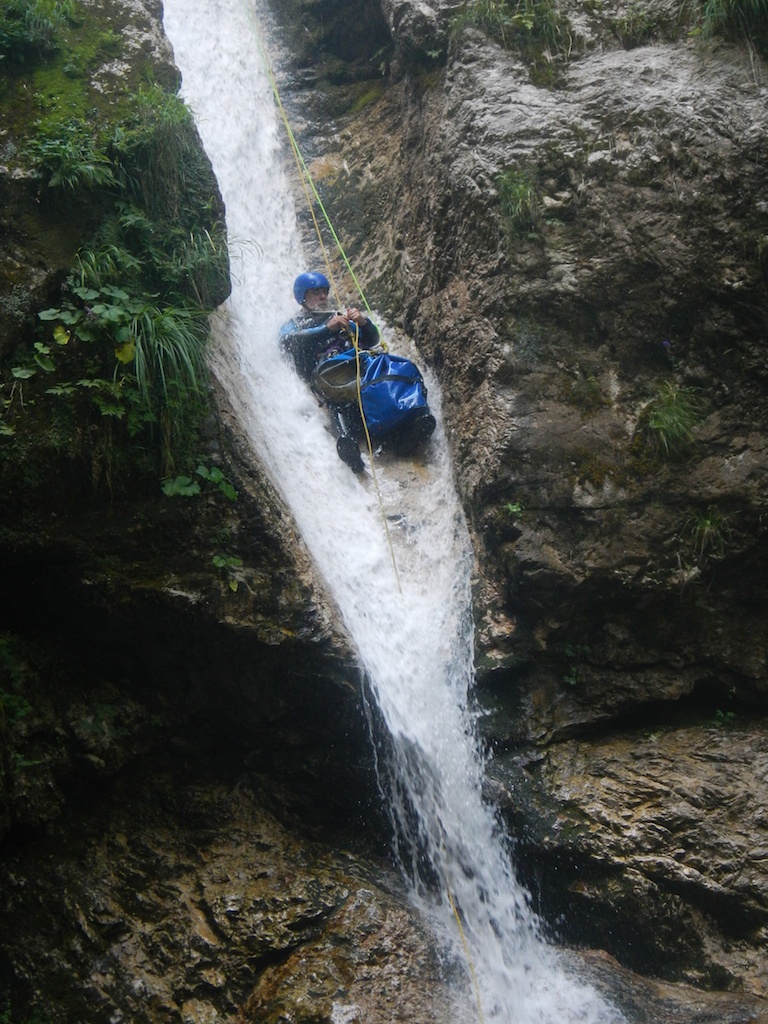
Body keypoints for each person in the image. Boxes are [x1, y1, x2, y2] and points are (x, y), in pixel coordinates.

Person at [279, 271, 380, 382]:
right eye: (316, 292)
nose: (323, 296)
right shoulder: (294, 323)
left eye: (325, 292)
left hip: (358, 373)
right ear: (302, 296)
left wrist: (364, 323)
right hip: (325, 380)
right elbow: (287, 342)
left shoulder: (337, 317)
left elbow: (373, 341)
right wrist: (327, 329)